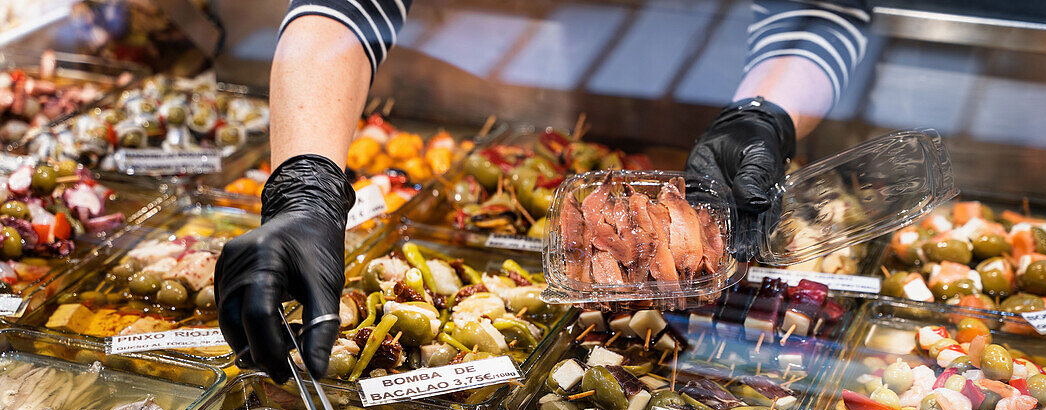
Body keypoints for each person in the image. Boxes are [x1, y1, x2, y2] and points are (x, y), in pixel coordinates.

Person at [215, 0, 871, 382]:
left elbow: (816, 10)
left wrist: (763, 114)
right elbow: (344, 8)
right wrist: (305, 182)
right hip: (496, 66)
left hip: (713, 81)